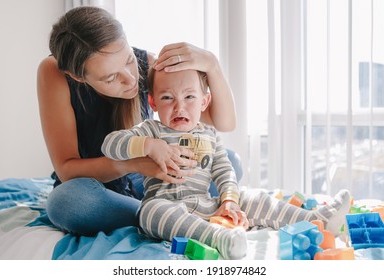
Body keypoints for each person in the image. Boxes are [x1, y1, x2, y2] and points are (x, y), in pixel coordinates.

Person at [101, 66, 351, 260]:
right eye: (167, 98)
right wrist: (148, 146)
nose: (179, 106)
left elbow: (224, 171)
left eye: (189, 96)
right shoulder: (150, 129)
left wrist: (229, 201)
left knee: (251, 197)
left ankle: (316, 219)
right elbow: (110, 145)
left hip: (206, 205)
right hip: (167, 205)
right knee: (150, 212)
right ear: (153, 102)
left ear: (204, 102)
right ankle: (219, 239)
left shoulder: (209, 135)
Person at [36, 6, 237, 236]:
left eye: (128, 60)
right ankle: (158, 215)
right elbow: (66, 170)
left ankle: (165, 215)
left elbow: (224, 123)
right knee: (66, 202)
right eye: (111, 77)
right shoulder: (54, 72)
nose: (131, 78)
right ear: (77, 77)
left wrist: (212, 65)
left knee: (231, 162)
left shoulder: (150, 64)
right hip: (97, 186)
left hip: (147, 182)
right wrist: (133, 163)